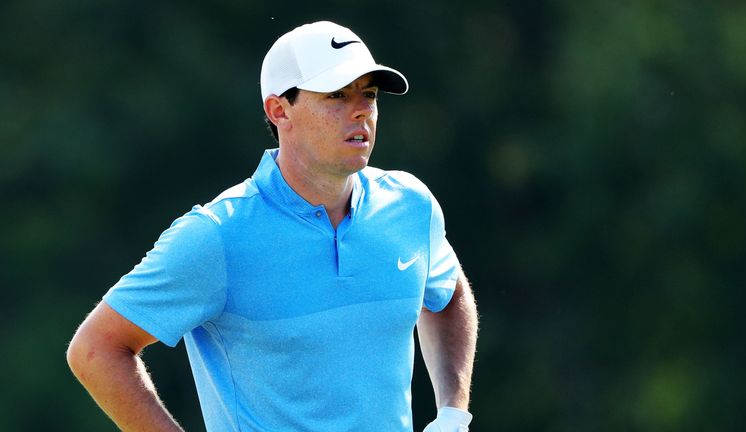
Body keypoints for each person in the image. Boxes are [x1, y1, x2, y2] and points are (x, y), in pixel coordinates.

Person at [66, 20, 478, 432]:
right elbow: (95, 349)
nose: (360, 111)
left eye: (368, 95)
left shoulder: (409, 205)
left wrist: (453, 412)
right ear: (279, 110)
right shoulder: (217, 235)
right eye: (336, 95)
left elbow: (448, 294)